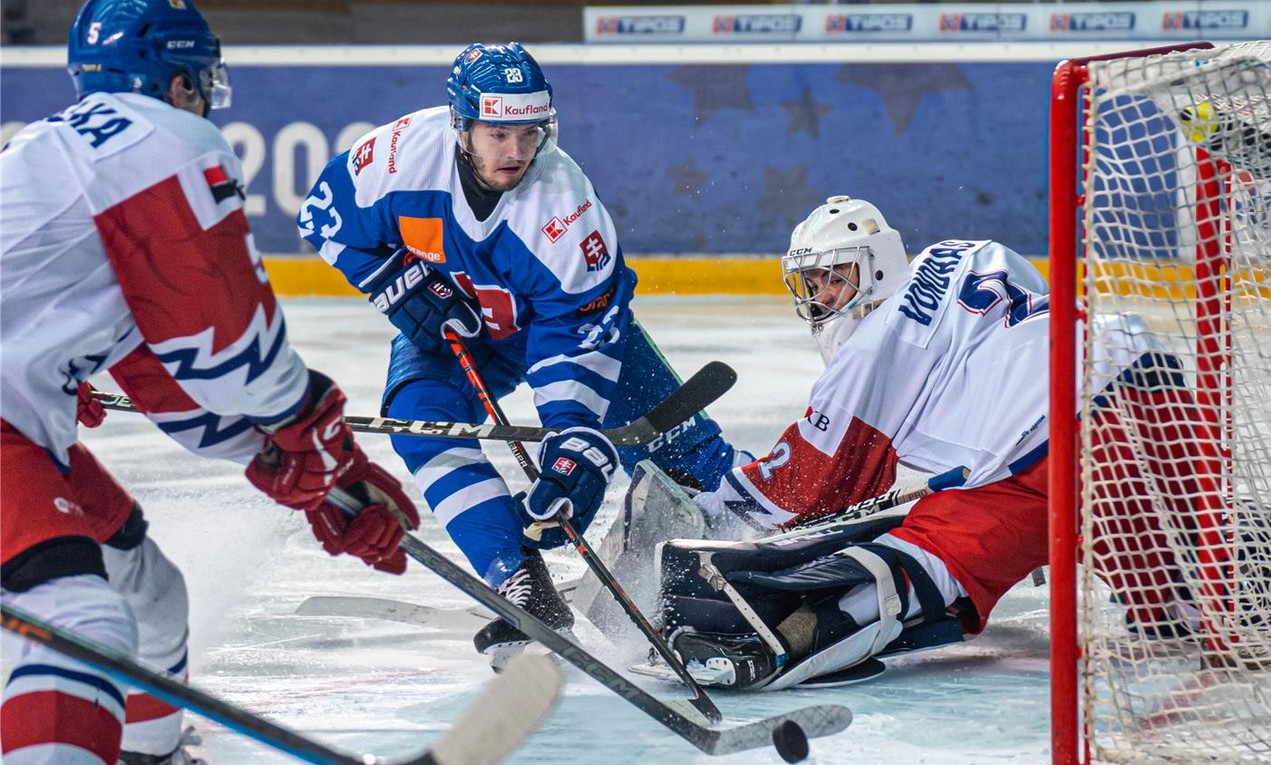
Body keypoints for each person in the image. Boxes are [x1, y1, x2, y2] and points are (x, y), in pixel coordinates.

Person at [0, 2, 421, 763]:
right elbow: (226, 339)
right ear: (180, 77)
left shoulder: (66, 153)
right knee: (81, 620)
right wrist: (306, 423)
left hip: (19, 425)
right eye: (201, 83)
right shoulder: (161, 140)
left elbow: (160, 371)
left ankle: (149, 755)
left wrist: (311, 470)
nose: (205, 100)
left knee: (148, 594)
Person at [297, 42, 746, 666]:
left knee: (674, 459)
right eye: (498, 132)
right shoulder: (398, 157)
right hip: (457, 330)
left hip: (550, 327)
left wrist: (571, 435)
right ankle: (519, 581)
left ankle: (741, 507)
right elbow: (323, 215)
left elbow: (575, 336)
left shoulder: (567, 211)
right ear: (461, 123)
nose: (515, 151)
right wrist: (394, 283)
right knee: (419, 420)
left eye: (530, 132)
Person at [663, 196, 1203, 690]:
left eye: (835, 278)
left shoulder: (878, 342)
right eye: (813, 285)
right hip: (1151, 387)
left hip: (1044, 445)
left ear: (876, 265)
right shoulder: (968, 254)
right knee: (1178, 599)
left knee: (927, 548)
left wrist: (713, 504)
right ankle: (1247, 558)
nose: (824, 296)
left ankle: (772, 637)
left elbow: (810, 485)